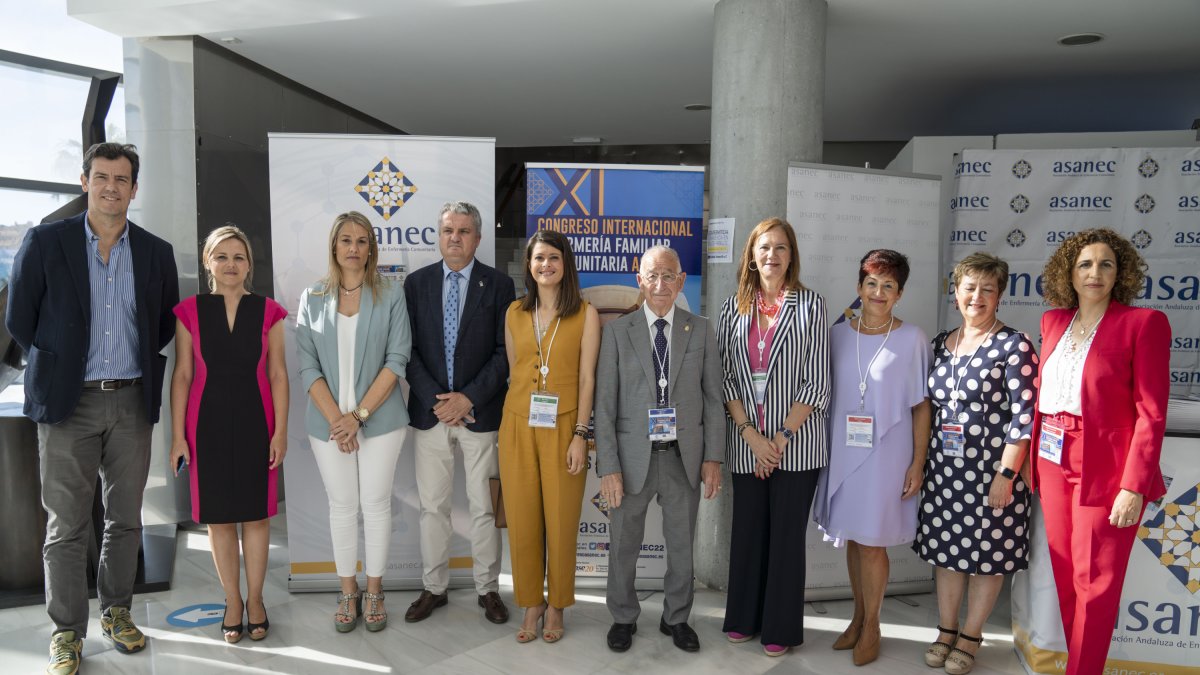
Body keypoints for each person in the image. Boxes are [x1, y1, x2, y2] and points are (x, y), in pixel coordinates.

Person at [6, 143, 179, 675]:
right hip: (67, 404)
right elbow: (20, 319)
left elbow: (162, 325)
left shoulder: (155, 252)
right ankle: (66, 631)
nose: (111, 187)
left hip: (130, 400)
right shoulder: (45, 241)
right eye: (101, 177)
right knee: (66, 525)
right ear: (85, 182)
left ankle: (117, 612)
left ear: (134, 188)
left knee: (125, 520)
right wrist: (60, 365)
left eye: (121, 179)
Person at [1032, 228, 1170, 675]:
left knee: (1095, 583)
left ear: (1119, 273)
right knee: (1067, 575)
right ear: (1068, 274)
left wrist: (1134, 486)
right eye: (1085, 264)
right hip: (1052, 457)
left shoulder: (1143, 323)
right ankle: (1081, 665)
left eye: (1106, 264)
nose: (1095, 273)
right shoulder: (1053, 322)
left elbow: (1151, 413)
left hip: (1106, 466)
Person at [594, 245, 724, 654]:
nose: (661, 284)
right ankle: (623, 617)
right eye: (653, 275)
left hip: (683, 458)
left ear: (681, 281)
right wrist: (608, 467)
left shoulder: (699, 329)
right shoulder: (618, 332)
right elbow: (604, 405)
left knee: (682, 547)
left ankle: (677, 618)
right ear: (640, 280)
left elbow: (713, 399)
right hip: (632, 459)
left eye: (669, 275)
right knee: (624, 545)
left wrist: (713, 458)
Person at [912, 252, 1037, 675]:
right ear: (956, 291)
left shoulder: (1015, 345)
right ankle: (946, 629)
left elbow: (1025, 416)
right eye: (970, 287)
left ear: (999, 295)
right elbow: (926, 408)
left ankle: (971, 635)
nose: (977, 296)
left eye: (988, 288)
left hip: (993, 472)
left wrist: (1007, 474)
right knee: (947, 555)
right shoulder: (939, 343)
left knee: (988, 556)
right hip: (944, 472)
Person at [716, 217, 830, 657]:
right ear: (751, 255)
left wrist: (778, 439)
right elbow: (725, 378)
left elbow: (817, 381)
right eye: (764, 247)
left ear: (791, 255)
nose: (772, 255)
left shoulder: (811, 305)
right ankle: (743, 617)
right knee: (747, 533)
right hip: (747, 443)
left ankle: (780, 626)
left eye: (781, 248)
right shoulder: (732, 308)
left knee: (785, 539)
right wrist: (751, 436)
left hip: (795, 446)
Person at [168, 225, 288, 643]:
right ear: (208, 262)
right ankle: (232, 601)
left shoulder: (269, 311)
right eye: (221, 256)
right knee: (218, 519)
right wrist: (178, 437)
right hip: (206, 426)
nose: (231, 264)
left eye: (239, 257)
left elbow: (278, 374)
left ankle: (256, 600)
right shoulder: (189, 311)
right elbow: (182, 376)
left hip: (258, 422)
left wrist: (280, 432)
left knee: (256, 516)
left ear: (249, 264)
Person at [295, 211, 412, 633]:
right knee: (342, 507)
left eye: (362, 241)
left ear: (371, 248)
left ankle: (375, 591)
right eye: (346, 239)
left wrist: (358, 417)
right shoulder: (312, 296)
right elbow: (307, 366)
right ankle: (348, 591)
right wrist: (338, 420)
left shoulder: (391, 294)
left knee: (376, 505)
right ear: (334, 245)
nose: (354, 248)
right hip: (328, 424)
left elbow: (397, 359)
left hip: (381, 421)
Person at [814, 249, 931, 666]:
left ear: (899, 293)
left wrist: (918, 462)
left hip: (888, 456)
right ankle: (858, 617)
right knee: (852, 538)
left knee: (871, 544)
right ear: (859, 287)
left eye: (888, 285)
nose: (878, 292)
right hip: (844, 451)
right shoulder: (836, 335)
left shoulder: (913, 338)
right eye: (871, 283)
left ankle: (873, 626)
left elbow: (921, 405)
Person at [403, 202, 515, 624]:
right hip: (430, 413)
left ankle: (488, 589)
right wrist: (439, 401)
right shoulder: (417, 284)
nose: (455, 237)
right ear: (439, 235)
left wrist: (467, 398)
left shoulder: (499, 285)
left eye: (464, 231)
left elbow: (505, 353)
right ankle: (434, 588)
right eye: (448, 230)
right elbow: (407, 349)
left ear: (478, 238)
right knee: (433, 507)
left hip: (480, 414)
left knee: (483, 507)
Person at [499, 229, 600, 644]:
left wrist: (581, 434)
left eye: (553, 258)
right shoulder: (514, 313)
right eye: (538, 258)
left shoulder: (585, 314)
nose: (546, 265)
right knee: (522, 520)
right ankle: (531, 602)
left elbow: (587, 378)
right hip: (518, 425)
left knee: (561, 520)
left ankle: (557, 603)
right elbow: (515, 370)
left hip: (565, 426)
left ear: (565, 264)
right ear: (529, 265)